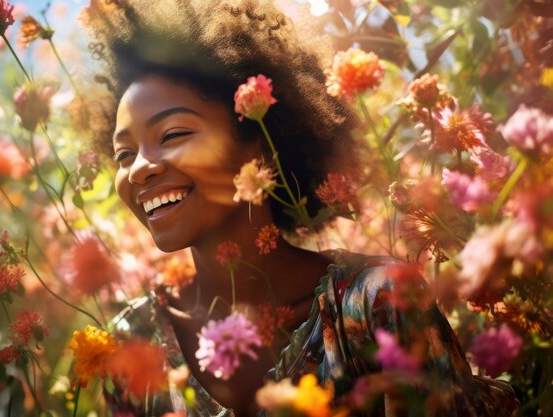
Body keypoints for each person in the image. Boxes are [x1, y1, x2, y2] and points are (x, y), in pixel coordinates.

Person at [82, 0, 519, 416]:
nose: (137, 169)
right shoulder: (130, 344)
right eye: (123, 155)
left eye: (173, 134)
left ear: (261, 143)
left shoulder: (378, 301)